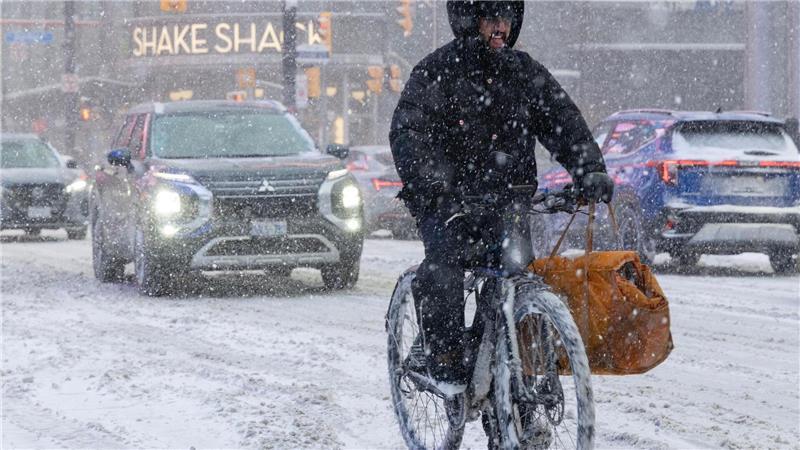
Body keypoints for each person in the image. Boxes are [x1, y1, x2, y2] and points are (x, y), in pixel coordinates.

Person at [389, 0, 614, 393]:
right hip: (447, 203)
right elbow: (409, 135)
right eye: (491, 17)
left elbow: (563, 122)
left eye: (507, 17)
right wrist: (436, 189)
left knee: (518, 277)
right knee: (445, 267)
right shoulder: (436, 72)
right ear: (467, 20)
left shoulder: (523, 72)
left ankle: (508, 391)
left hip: (508, 201)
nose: (501, 27)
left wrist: (589, 169)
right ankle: (439, 357)